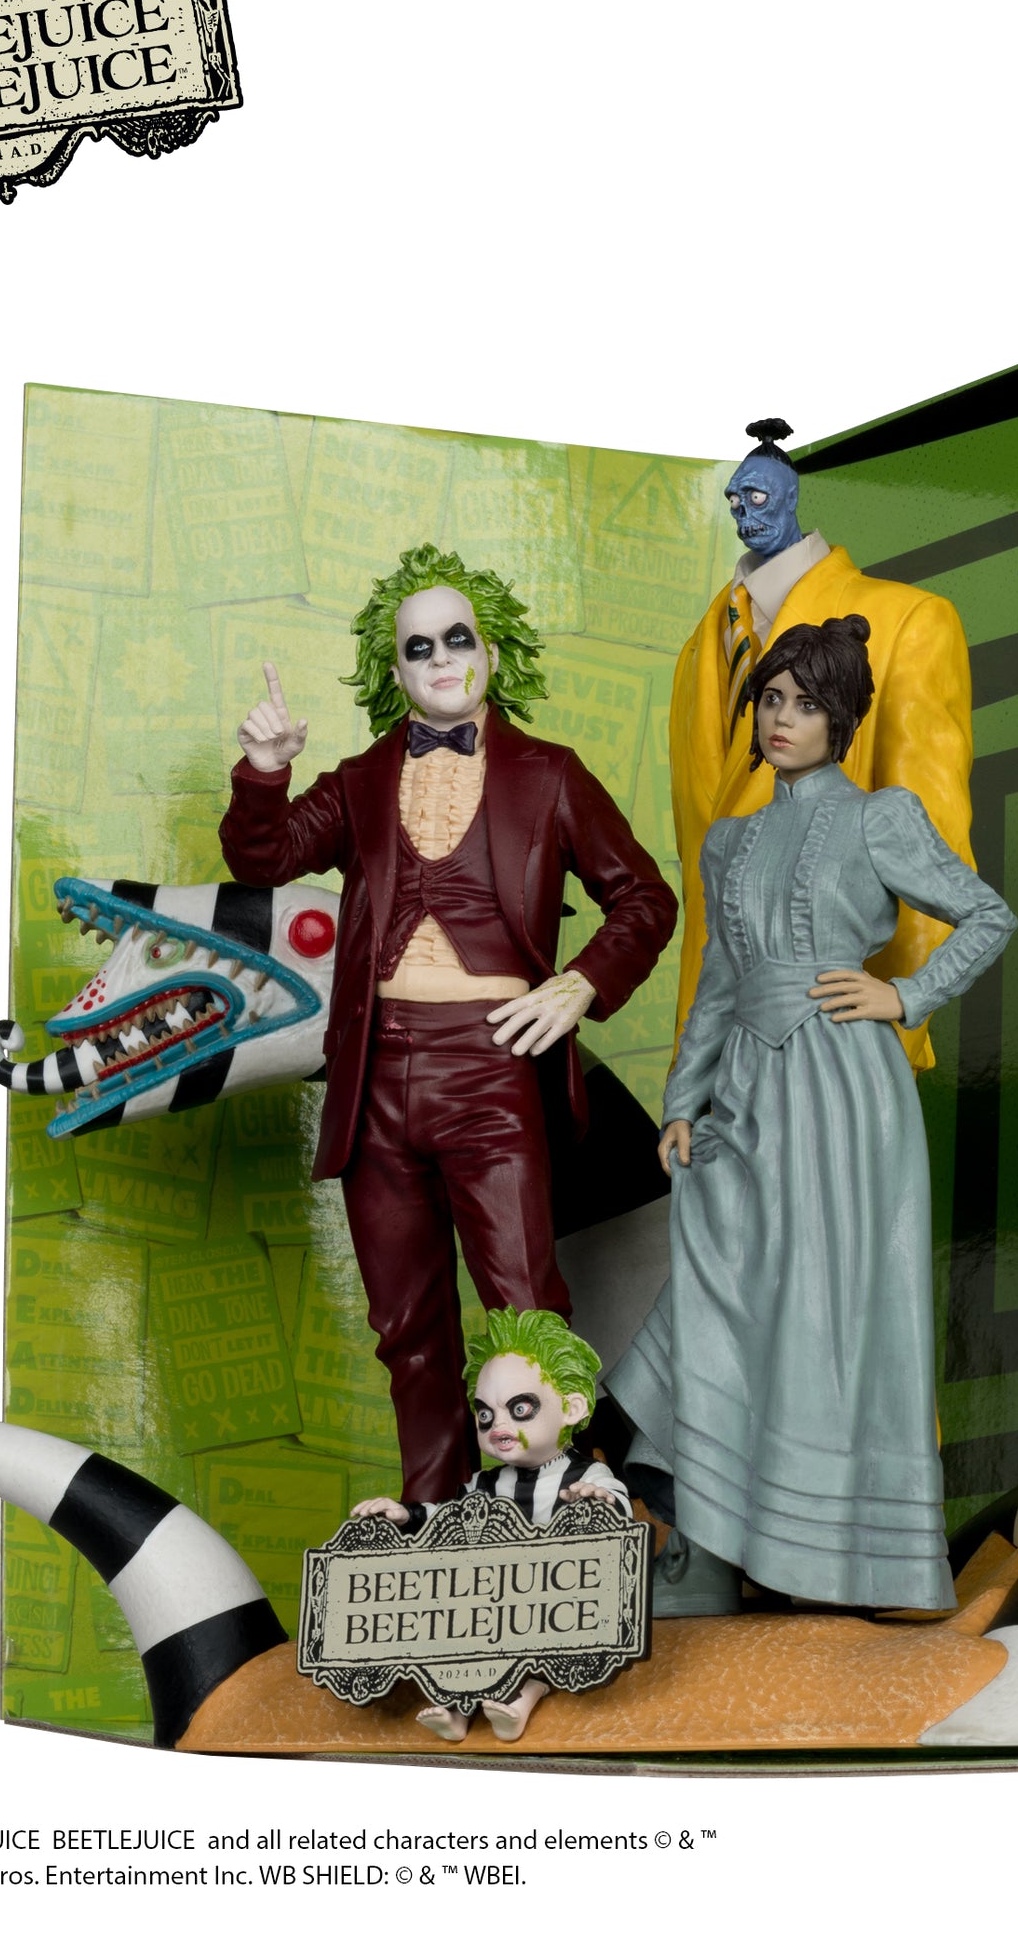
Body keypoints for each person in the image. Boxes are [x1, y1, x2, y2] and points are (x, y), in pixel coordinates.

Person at [220, 544, 676, 1504]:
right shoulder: (358, 780)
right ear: (395, 672)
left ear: (490, 655)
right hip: (375, 1078)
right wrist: (265, 771)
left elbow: (644, 898)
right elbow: (264, 860)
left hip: (491, 1067)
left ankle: (550, 1500)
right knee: (406, 1325)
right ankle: (432, 1514)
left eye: (456, 638)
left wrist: (581, 984)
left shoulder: (549, 774)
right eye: (418, 646)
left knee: (523, 1299)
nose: (439, 658)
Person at [609, 615, 1015, 1614]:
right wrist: (682, 1099)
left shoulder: (880, 817)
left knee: (828, 1316)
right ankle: (707, 1549)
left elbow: (987, 914)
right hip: (746, 1094)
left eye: (805, 703)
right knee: (720, 1293)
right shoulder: (730, 840)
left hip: (843, 1096)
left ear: (841, 719)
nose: (782, 719)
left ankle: (840, 1565)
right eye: (770, 699)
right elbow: (718, 978)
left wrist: (904, 996)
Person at [670, 419, 977, 1075]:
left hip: (837, 1050)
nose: (744, 511)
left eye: (757, 496)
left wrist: (891, 1038)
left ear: (790, 498)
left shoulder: (909, 622)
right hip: (721, 1047)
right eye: (734, 498)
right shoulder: (699, 648)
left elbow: (936, 845)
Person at [352, 1307, 629, 1742]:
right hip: (493, 1607)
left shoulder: (585, 1474)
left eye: (520, 1408)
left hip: (554, 1608)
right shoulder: (484, 1483)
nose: (498, 1424)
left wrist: (598, 1500)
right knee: (461, 1635)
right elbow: (448, 1520)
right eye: (485, 1414)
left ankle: (522, 1700)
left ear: (572, 1407)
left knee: (539, 1644)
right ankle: (456, 1708)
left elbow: (619, 1511)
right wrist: (408, 1515)